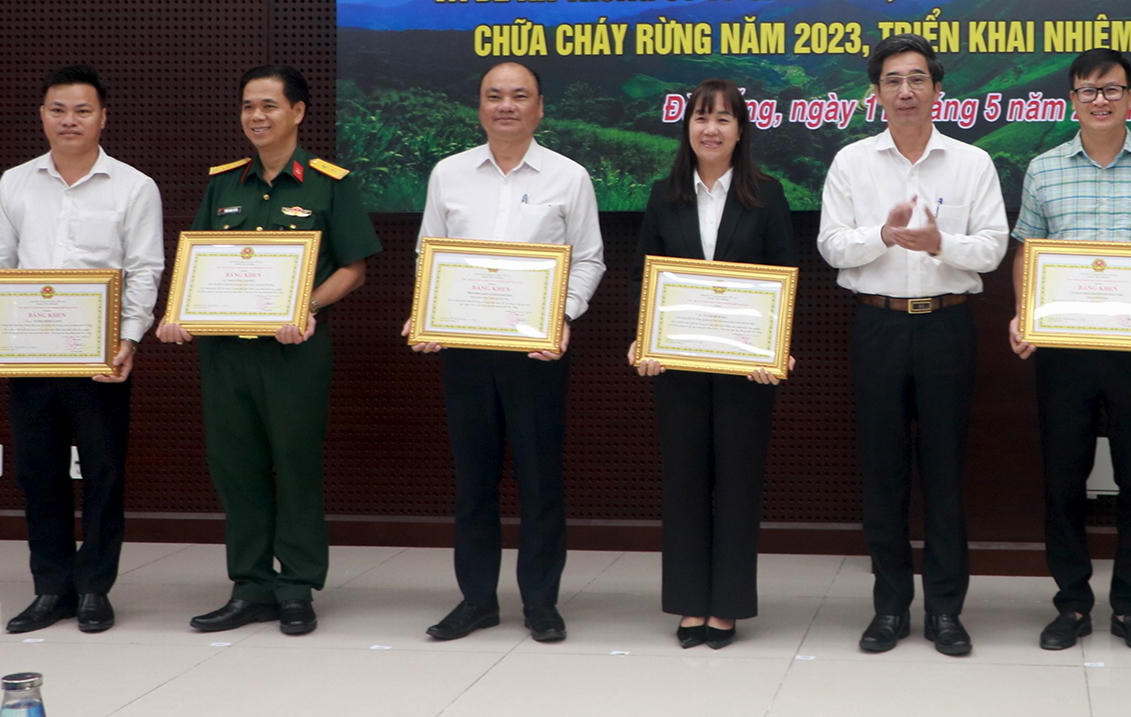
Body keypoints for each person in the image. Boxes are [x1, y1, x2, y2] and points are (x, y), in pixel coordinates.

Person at [155, 64, 381, 637]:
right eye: (249, 107)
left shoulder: (329, 183)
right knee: (236, 466)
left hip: (295, 351)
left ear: (298, 112)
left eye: (269, 106)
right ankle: (250, 585)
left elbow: (353, 270)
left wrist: (305, 307)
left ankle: (298, 585)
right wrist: (178, 313)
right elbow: (199, 264)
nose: (257, 117)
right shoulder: (223, 183)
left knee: (296, 463)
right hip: (226, 353)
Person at [818, 34, 1010, 656]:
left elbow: (992, 248)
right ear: (876, 94)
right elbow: (832, 245)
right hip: (877, 325)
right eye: (893, 80)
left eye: (918, 79)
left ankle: (947, 612)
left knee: (946, 470)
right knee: (883, 471)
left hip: (947, 326)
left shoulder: (970, 163)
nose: (906, 90)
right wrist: (885, 234)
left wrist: (938, 244)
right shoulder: (851, 162)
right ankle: (890, 608)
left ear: (937, 89)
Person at [0, 65, 163, 635]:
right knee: (37, 473)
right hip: (27, 352)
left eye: (82, 111)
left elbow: (145, 269)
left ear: (103, 117)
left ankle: (94, 588)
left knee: (103, 473)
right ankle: (50, 588)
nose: (69, 121)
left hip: (99, 357)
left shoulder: (134, 186)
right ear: (42, 115)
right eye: (57, 110)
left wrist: (129, 338)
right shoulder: (16, 182)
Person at [405, 61, 605, 644]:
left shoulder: (569, 177)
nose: (506, 106)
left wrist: (562, 316)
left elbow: (588, 258)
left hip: (535, 351)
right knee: (473, 480)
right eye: (494, 96)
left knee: (540, 479)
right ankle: (476, 600)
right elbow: (428, 255)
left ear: (541, 107)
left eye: (520, 96)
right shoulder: (449, 174)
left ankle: (541, 602)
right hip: (464, 347)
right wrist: (428, 311)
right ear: (480, 106)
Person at [1007, 49, 1131, 655]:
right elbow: (1026, 253)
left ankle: (1130, 607)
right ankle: (1071, 603)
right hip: (1064, 350)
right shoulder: (1043, 169)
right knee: (1063, 478)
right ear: (1073, 99)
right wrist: (1025, 313)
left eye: (1111, 89)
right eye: (1088, 90)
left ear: (1129, 98)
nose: (1100, 100)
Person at [627, 78, 798, 649]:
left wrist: (777, 348)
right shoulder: (663, 194)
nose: (711, 128)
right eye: (701, 117)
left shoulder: (767, 196)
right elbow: (642, 278)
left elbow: (784, 278)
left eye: (724, 118)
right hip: (676, 365)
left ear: (741, 131)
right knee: (683, 481)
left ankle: (725, 606)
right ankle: (688, 603)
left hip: (746, 369)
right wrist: (644, 339)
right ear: (687, 127)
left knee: (738, 482)